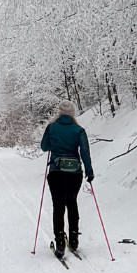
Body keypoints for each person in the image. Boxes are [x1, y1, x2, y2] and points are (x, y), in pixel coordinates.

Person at [40, 100, 94, 258]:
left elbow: (44, 147)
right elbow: (85, 153)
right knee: (72, 203)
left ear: (59, 112)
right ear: (72, 113)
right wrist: (89, 172)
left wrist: (55, 142)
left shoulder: (52, 127)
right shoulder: (79, 130)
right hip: (74, 174)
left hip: (56, 172)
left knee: (58, 206)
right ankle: (74, 239)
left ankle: (60, 243)